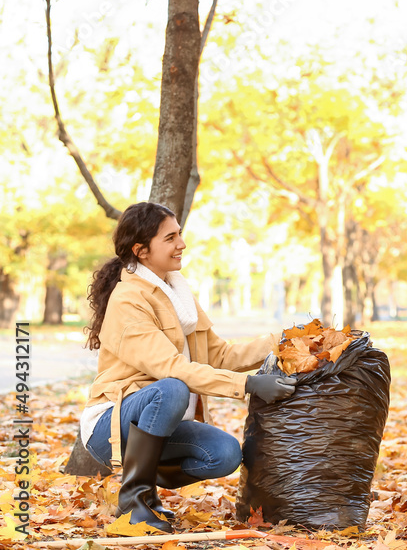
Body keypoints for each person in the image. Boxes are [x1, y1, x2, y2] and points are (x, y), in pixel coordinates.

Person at [80, 202, 298, 534]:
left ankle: (143, 487)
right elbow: (171, 368)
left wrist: (279, 341)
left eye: (180, 234)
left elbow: (220, 355)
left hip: (159, 422)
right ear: (142, 251)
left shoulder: (179, 295)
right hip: (110, 425)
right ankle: (135, 503)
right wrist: (249, 385)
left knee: (224, 454)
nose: (181, 243)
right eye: (170, 237)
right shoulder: (128, 300)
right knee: (172, 387)